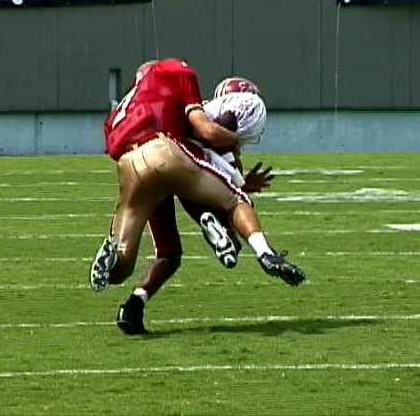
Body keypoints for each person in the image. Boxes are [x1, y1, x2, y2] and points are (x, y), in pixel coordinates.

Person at [89, 60, 306, 334]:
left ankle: (126, 291)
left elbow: (114, 146)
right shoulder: (177, 73)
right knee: (234, 201)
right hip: (169, 155)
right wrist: (235, 143)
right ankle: (264, 253)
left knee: (143, 261)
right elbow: (208, 133)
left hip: (130, 168)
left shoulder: (127, 106)